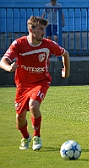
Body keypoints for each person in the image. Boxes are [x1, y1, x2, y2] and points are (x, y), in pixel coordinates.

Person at [0, 16, 70, 150]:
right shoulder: (19, 44)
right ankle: (25, 137)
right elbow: (3, 60)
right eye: (41, 29)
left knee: (33, 105)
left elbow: (65, 53)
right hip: (22, 85)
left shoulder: (48, 44)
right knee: (20, 118)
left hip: (41, 81)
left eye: (44, 29)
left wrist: (66, 72)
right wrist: (9, 67)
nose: (44, 32)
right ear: (32, 30)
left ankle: (37, 136)